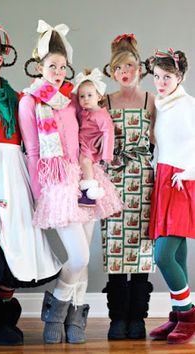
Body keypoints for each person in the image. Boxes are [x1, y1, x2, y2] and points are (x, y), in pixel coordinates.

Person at [0, 10, 61, 346]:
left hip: (14, 174)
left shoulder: (18, 98)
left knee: (16, 242)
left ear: (1, 58)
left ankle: (4, 314)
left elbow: (31, 142)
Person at [19, 19, 122, 345]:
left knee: (86, 257)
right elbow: (33, 151)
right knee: (77, 257)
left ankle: (74, 315)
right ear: (39, 65)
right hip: (55, 183)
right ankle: (55, 307)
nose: (59, 71)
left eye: (63, 66)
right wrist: (40, 193)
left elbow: (88, 128)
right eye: (52, 65)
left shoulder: (73, 97)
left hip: (83, 177)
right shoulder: (30, 101)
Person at [101, 33, 155, 340]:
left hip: (144, 182)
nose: (126, 72)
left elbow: (165, 139)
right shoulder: (104, 101)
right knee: (116, 253)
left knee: (142, 252)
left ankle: (138, 317)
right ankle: (117, 318)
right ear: (112, 70)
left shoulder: (151, 101)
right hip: (114, 183)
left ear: (140, 67)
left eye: (131, 65)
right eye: (119, 67)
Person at [148, 48, 195, 345]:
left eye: (167, 77)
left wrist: (188, 172)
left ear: (180, 77)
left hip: (181, 180)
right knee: (177, 254)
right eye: (156, 77)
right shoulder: (161, 105)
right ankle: (180, 313)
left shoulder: (188, 105)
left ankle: (188, 315)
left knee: (163, 256)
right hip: (164, 178)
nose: (161, 82)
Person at [72, 68, 115, 207]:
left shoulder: (101, 114)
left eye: (90, 95)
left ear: (99, 96)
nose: (85, 99)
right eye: (82, 96)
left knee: (85, 161)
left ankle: (89, 193)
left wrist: (107, 154)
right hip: (82, 142)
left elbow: (108, 132)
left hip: (91, 145)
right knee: (80, 163)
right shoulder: (84, 112)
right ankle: (85, 190)